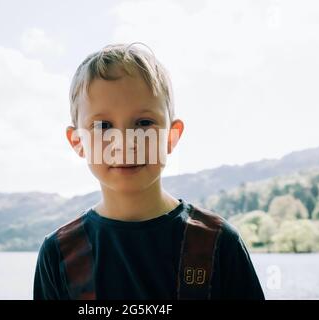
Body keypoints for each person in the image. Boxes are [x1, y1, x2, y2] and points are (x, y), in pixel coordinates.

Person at [33, 42, 265, 300]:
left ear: (171, 137)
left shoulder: (217, 244)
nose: (125, 141)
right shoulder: (59, 254)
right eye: (103, 125)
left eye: (144, 123)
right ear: (77, 141)